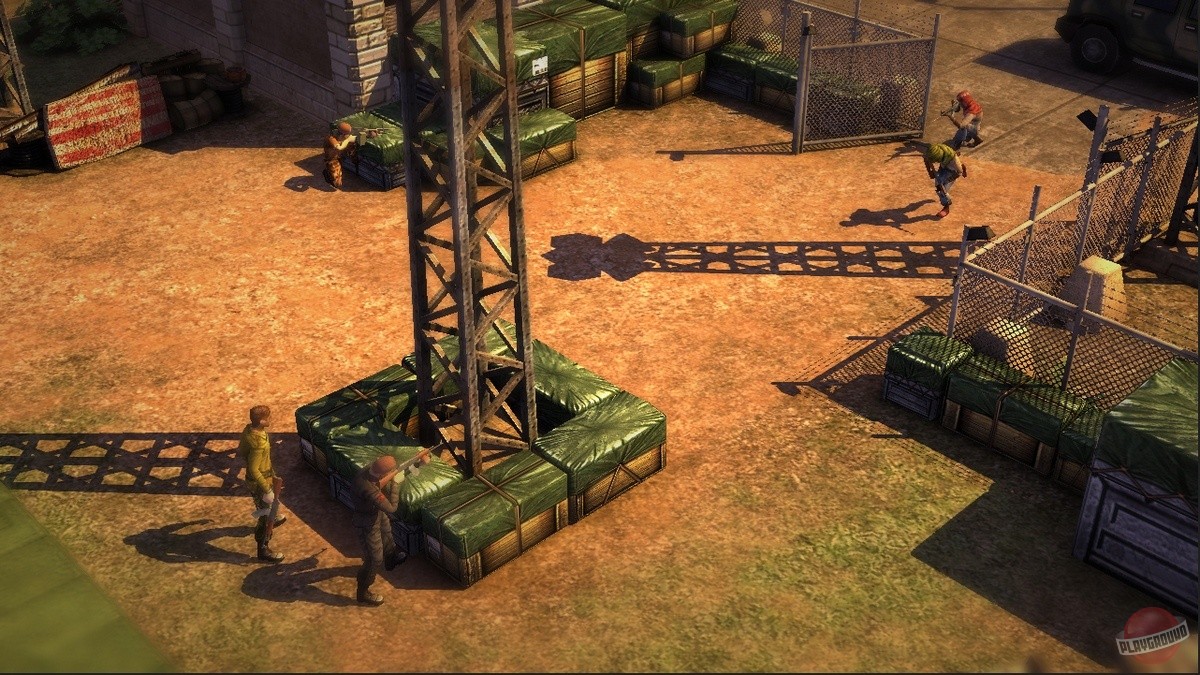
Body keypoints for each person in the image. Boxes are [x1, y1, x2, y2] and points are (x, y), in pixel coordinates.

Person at [351, 455, 408, 606]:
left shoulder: (368, 471)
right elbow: (392, 508)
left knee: (387, 534)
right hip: (366, 522)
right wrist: (395, 484)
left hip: (375, 512)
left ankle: (391, 560)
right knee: (374, 558)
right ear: (383, 474)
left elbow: (379, 480)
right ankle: (363, 592)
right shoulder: (369, 488)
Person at [237, 405, 286, 563]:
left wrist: (271, 474)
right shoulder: (257, 443)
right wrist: (267, 489)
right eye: (268, 417)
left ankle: (272, 515)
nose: (270, 419)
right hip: (259, 483)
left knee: (269, 508)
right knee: (265, 517)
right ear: (262, 421)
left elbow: (243, 451)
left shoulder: (250, 430)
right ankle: (263, 549)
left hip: (265, 477)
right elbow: (253, 469)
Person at [924, 143, 968, 219]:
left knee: (941, 189)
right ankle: (961, 166)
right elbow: (926, 159)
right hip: (944, 166)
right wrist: (930, 172)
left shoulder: (953, 161)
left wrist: (944, 182)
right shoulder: (934, 152)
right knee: (938, 183)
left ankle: (946, 207)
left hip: (953, 171)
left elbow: (958, 173)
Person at [323, 122, 357, 189]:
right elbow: (339, 147)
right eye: (346, 134)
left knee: (353, 146)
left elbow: (356, 139)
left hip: (340, 154)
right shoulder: (331, 138)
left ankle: (353, 159)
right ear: (341, 133)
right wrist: (348, 140)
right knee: (336, 179)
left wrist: (367, 135)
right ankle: (327, 173)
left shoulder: (343, 136)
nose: (347, 135)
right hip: (332, 158)